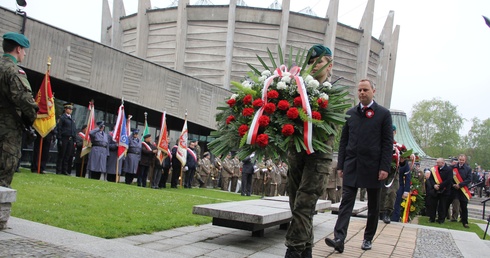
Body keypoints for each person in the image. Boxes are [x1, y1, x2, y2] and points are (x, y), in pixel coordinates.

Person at [325, 78, 393, 253]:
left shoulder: (383, 114)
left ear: (373, 91)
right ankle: (339, 238)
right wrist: (341, 165)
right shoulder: (350, 113)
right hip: (352, 165)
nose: (362, 93)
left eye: (365, 90)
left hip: (374, 167)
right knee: (346, 202)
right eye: (360, 90)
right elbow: (343, 141)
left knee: (373, 206)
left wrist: (385, 167)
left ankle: (368, 238)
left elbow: (387, 143)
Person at [284, 44, 336, 258]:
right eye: (311, 62)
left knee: (304, 206)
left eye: (319, 62)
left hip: (318, 159)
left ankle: (293, 252)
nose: (314, 66)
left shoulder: (334, 95)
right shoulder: (297, 89)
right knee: (297, 206)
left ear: (330, 66)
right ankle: (306, 253)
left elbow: (327, 128)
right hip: (297, 155)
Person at [0, 32, 38, 188]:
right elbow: (25, 101)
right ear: (17, 49)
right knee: (4, 174)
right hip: (7, 131)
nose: (24, 53)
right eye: (23, 49)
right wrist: (33, 117)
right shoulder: (14, 71)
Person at [379, 125, 400, 224]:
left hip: (393, 173)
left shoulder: (398, 147)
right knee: (381, 193)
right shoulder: (379, 143)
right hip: (380, 171)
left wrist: (402, 161)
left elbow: (403, 163)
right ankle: (380, 212)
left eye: (392, 132)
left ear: (395, 132)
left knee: (392, 193)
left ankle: (387, 212)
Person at [426, 158, 453, 224]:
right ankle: (432, 218)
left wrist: (440, 186)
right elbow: (431, 179)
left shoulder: (449, 170)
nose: (437, 164)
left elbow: (449, 180)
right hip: (435, 190)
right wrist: (434, 185)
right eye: (437, 162)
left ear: (443, 163)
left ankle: (441, 219)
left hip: (444, 190)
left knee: (442, 206)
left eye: (438, 162)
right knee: (433, 205)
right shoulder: (434, 169)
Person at [56, 102, 77, 175]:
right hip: (64, 138)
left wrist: (74, 140)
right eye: (69, 108)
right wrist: (59, 138)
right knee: (61, 155)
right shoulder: (62, 118)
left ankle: (64, 170)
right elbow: (59, 128)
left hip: (70, 139)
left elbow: (74, 130)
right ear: (65, 109)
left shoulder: (72, 119)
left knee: (67, 155)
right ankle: (59, 170)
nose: (70, 110)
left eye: (71, 109)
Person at [452, 154, 472, 228]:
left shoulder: (468, 169)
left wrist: (460, 185)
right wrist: (453, 184)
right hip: (455, 190)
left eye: (463, 160)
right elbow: (450, 177)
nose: (461, 161)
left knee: (464, 206)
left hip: (463, 190)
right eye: (460, 160)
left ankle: (465, 221)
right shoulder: (453, 167)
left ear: (465, 160)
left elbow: (469, 179)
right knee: (455, 205)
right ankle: (452, 218)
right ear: (458, 159)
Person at [390, 156, 411, 222]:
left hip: (399, 185)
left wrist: (406, 190)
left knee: (397, 202)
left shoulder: (405, 164)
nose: (402, 159)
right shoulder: (392, 161)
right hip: (389, 183)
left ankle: (395, 218)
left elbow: (408, 178)